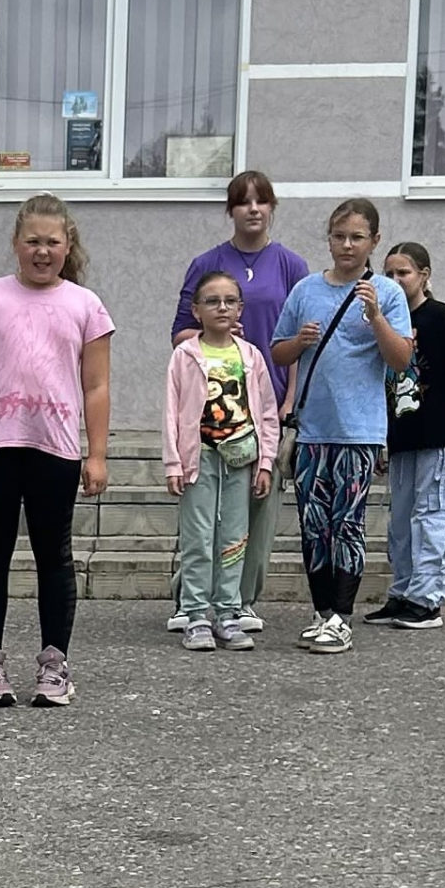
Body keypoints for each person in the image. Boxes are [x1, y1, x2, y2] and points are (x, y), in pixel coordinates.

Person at [0, 194, 114, 709]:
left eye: (52, 242)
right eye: (32, 241)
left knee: (54, 558)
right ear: (16, 244)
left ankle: (53, 664)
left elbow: (96, 386)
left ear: (68, 246)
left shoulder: (85, 306)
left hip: (56, 448)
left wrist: (97, 454)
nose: (42, 251)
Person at [167, 171, 311, 635]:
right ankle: (191, 605)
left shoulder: (290, 264)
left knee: (254, 514)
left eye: (261, 201)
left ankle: (239, 602)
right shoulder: (207, 263)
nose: (253, 209)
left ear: (272, 208)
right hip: (209, 418)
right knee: (201, 517)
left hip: (263, 408)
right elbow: (179, 334)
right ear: (230, 210)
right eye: (243, 202)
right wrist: (217, 335)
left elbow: (299, 341)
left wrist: (290, 399)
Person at [272, 199, 414, 653]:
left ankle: (342, 615)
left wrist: (375, 318)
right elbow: (277, 351)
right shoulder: (306, 290)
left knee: (347, 523)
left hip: (359, 430)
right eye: (339, 236)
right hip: (313, 429)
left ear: (374, 241)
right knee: (314, 525)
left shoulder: (387, 294)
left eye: (357, 237)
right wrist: (299, 341)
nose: (346, 245)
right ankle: (320, 611)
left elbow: (401, 360)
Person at [161, 270, 280, 651]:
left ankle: (228, 612)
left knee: (234, 537)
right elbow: (171, 410)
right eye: (212, 301)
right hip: (200, 458)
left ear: (240, 308)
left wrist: (265, 463)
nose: (221, 307)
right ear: (196, 310)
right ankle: (196, 613)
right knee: (198, 536)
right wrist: (173, 463)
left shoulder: (250, 355)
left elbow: (265, 412)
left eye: (229, 300)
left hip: (240, 458)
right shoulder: (185, 355)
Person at [366, 242, 445, 631]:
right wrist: (382, 439)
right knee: (401, 521)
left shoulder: (442, 318)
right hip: (403, 436)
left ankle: (427, 601)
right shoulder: (384, 321)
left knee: (435, 518)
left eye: (404, 273)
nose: (396, 281)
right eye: (389, 274)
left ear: (424, 276)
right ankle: (402, 593)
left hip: (442, 436)